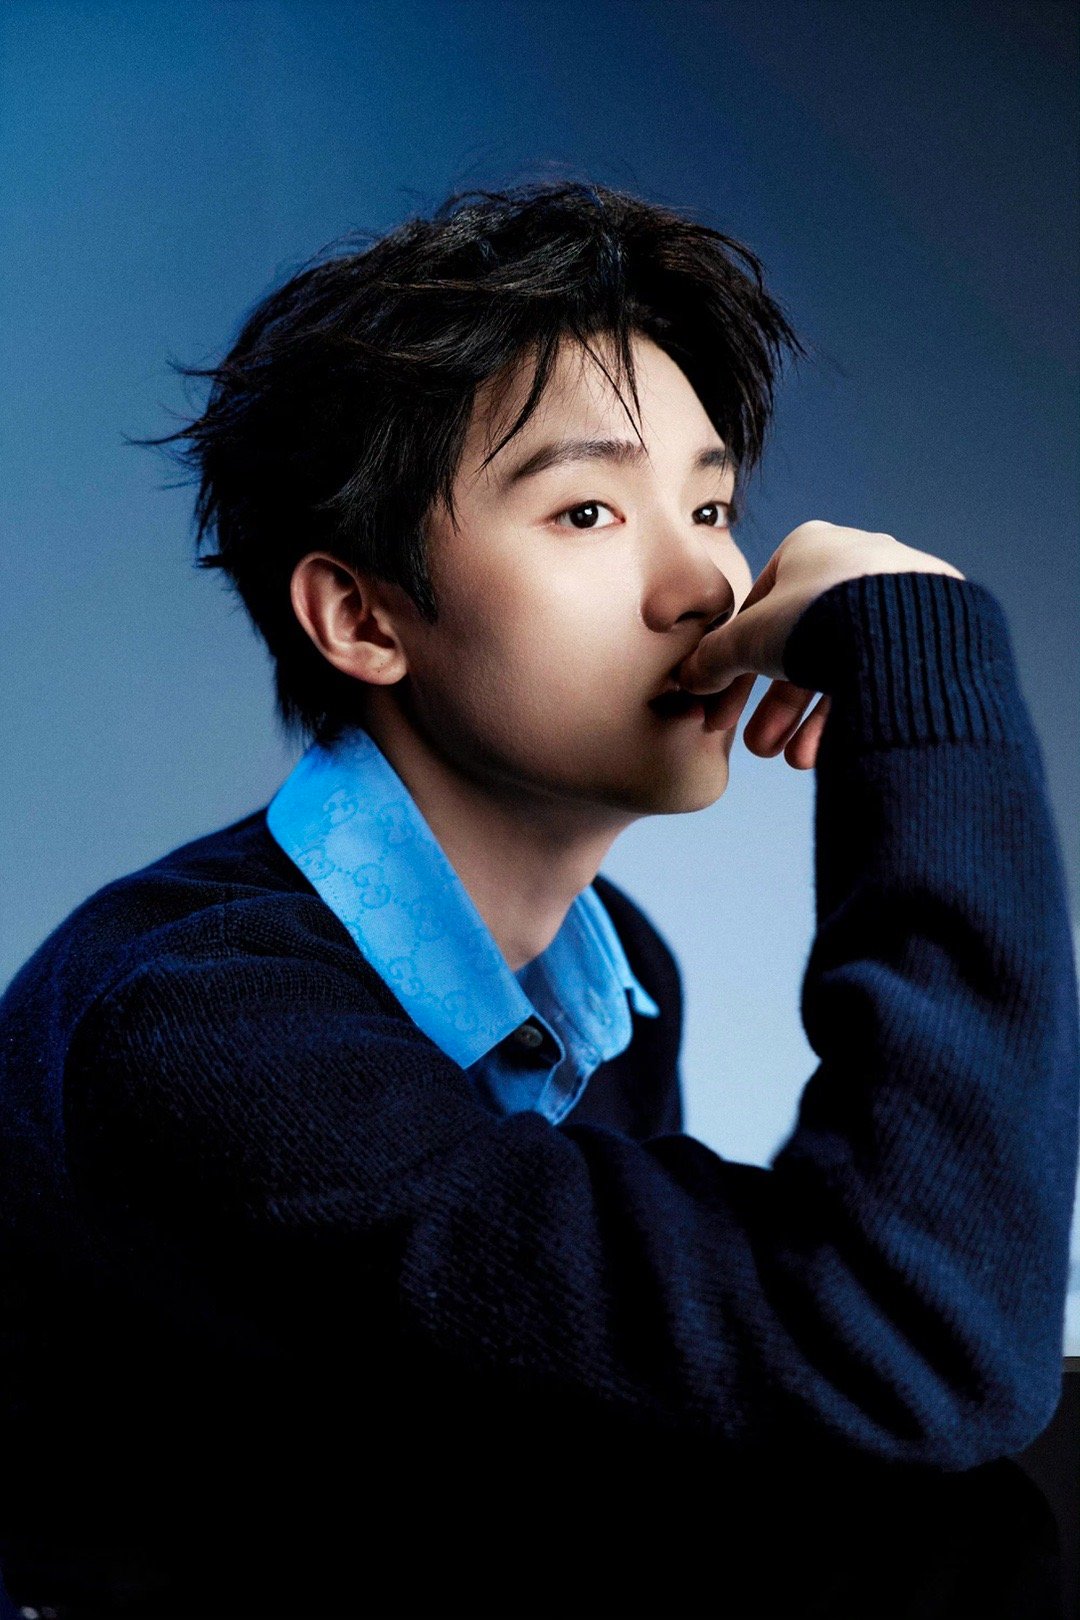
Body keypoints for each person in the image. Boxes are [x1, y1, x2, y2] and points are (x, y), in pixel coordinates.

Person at [0, 179, 1074, 1619]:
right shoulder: (205, 1029)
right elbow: (918, 1345)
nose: (706, 582)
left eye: (710, 505)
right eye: (587, 510)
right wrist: (926, 680)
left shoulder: (615, 974)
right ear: (362, 617)